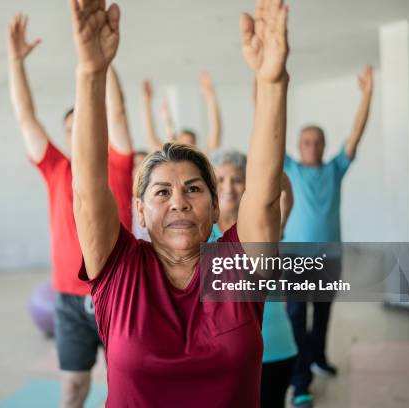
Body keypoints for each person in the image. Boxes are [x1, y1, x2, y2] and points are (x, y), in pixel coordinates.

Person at [69, 0, 289, 406]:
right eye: (161, 192)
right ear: (139, 210)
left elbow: (263, 195)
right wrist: (91, 72)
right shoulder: (119, 269)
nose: (179, 202)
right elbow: (86, 189)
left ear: (216, 205)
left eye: (193, 189)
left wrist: (272, 82)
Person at [6, 13, 133, 407]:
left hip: (117, 292)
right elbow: (26, 118)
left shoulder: (119, 161)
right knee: (73, 388)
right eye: (72, 127)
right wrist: (15, 62)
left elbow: (117, 112)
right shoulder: (56, 168)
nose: (80, 133)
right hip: (67, 298)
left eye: (87, 124)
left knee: (127, 385)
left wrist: (101, 60)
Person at [284, 65, 373, 408]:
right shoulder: (289, 169)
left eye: (318, 141)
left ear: (323, 145)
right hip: (293, 259)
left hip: (329, 259)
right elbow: (269, 130)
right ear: (298, 145)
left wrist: (366, 94)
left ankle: (319, 358)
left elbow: (355, 134)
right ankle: (301, 380)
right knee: (295, 319)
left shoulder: (335, 169)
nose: (313, 145)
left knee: (321, 316)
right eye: (307, 141)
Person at [211, 150, 298, 408]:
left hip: (274, 349)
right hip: (222, 357)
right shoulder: (200, 233)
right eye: (220, 179)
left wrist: (265, 168)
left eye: (237, 179)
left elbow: (285, 196)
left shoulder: (264, 229)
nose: (228, 187)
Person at [141, 71, 221, 151]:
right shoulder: (168, 156)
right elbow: (151, 136)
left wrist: (211, 97)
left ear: (195, 145)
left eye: (190, 143)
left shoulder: (199, 158)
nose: (186, 146)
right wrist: (146, 101)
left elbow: (215, 137)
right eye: (183, 142)